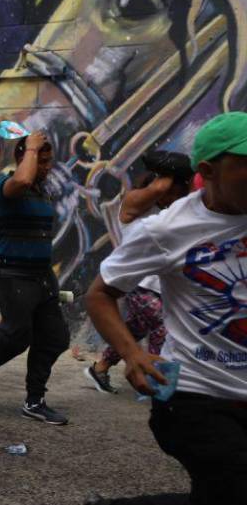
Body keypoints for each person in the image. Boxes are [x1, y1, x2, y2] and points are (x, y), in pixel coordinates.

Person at [81, 112, 247, 505]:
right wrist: (131, 353)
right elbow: (100, 294)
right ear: (209, 171)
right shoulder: (167, 230)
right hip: (195, 399)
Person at [0, 130, 71, 424]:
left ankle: (34, 401)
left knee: (55, 337)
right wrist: (31, 146)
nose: (46, 167)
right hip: (13, 274)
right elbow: (20, 181)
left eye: (49, 161)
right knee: (17, 337)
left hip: (42, 275)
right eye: (40, 161)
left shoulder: (42, 190)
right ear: (23, 157)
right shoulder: (4, 184)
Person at [84, 151, 193, 393]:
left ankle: (99, 368)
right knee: (163, 328)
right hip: (140, 285)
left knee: (134, 329)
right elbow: (160, 187)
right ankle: (159, 384)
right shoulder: (134, 203)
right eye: (172, 192)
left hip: (159, 287)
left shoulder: (173, 213)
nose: (174, 198)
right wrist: (170, 171)